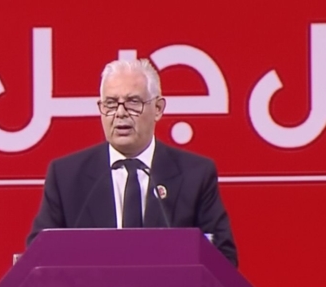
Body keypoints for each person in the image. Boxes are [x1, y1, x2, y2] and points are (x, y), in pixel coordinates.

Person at [27, 59, 238, 267]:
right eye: (111, 104)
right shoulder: (66, 177)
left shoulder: (195, 175)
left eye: (133, 102)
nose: (120, 113)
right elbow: (37, 260)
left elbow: (223, 262)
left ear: (158, 108)